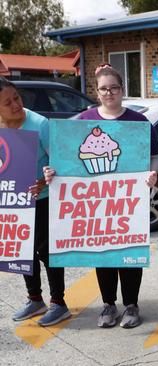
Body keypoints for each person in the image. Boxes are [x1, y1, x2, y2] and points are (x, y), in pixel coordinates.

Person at [44, 64, 158, 329]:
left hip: (129, 200)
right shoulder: (84, 121)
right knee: (103, 253)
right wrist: (53, 174)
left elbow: (154, 156)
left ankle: (131, 304)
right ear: (97, 91)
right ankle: (109, 304)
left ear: (122, 90)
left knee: (129, 252)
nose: (110, 93)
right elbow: (66, 160)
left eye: (114, 88)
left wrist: (151, 176)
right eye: (104, 88)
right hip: (95, 203)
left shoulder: (138, 122)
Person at [1, 76, 70, 327]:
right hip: (11, 198)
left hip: (43, 198)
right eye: (7, 102)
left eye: (16, 98)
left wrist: (44, 180)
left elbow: (62, 163)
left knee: (48, 252)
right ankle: (34, 299)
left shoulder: (40, 124)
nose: (15, 105)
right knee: (21, 250)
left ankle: (58, 303)